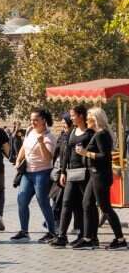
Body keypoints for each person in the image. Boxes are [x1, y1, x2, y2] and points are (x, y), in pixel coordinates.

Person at [75, 108, 126, 250]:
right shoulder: (99, 134)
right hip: (95, 174)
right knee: (86, 203)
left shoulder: (101, 135)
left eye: (89, 118)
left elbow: (104, 156)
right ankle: (88, 238)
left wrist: (86, 153)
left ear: (95, 119)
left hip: (100, 176)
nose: (86, 120)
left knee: (105, 207)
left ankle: (120, 239)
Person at [9, 109, 56, 242]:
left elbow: (48, 158)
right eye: (31, 119)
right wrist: (18, 160)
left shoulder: (49, 137)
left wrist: (41, 142)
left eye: (35, 119)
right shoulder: (30, 131)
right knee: (21, 199)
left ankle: (52, 232)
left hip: (42, 173)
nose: (32, 122)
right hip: (27, 173)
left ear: (43, 120)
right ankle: (24, 231)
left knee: (43, 202)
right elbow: (24, 147)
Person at [51, 105, 92, 247]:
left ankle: (85, 235)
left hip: (85, 173)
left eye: (73, 115)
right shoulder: (73, 131)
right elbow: (66, 153)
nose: (71, 118)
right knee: (66, 203)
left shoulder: (90, 132)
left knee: (83, 206)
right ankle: (62, 236)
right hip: (71, 173)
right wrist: (62, 171)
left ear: (81, 115)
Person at [50, 114, 73, 232]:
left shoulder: (73, 135)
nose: (63, 125)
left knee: (63, 200)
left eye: (65, 122)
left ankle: (56, 225)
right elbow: (56, 153)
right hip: (58, 171)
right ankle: (54, 224)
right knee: (56, 198)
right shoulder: (62, 136)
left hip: (69, 172)